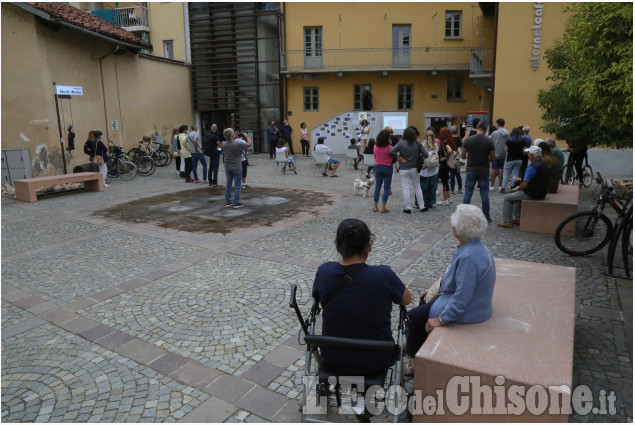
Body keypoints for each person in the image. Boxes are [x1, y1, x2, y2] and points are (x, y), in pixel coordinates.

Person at [312, 219, 412, 375]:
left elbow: (317, 296)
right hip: (378, 358)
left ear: (337, 247)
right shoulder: (383, 275)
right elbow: (407, 299)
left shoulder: (324, 272)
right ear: (369, 246)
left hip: (333, 357)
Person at [405, 204, 495, 366]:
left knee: (413, 318)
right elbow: (454, 280)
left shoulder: (468, 257)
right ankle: (418, 344)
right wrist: (435, 290)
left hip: (471, 310)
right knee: (425, 301)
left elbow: (462, 297)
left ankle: (416, 361)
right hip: (475, 303)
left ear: (458, 231)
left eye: (454, 223)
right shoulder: (474, 247)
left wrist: (441, 319)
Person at [498, 146, 550, 228]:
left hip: (532, 193)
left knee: (508, 198)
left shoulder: (532, 167)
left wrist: (518, 188)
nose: (528, 155)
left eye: (528, 154)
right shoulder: (544, 163)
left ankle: (507, 221)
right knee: (517, 196)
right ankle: (517, 217)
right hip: (542, 192)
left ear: (532, 156)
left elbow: (525, 184)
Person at [461, 121, 495, 222]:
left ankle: (463, 215)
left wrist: (469, 156)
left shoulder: (469, 139)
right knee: (484, 193)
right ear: (485, 129)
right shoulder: (489, 141)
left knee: (468, 192)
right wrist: (486, 159)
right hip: (484, 170)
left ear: (477, 127)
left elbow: (462, 156)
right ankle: (486, 216)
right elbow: (493, 158)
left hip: (471, 169)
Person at [391, 126, 428, 213]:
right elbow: (426, 154)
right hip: (415, 168)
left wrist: (399, 157)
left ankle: (408, 208)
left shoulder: (401, 143)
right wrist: (419, 155)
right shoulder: (417, 143)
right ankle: (422, 206)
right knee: (417, 187)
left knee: (405, 188)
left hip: (403, 168)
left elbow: (391, 151)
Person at [222, 128, 252, 208]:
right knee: (238, 185)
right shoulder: (237, 144)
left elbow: (230, 140)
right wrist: (247, 136)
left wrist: (233, 137)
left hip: (227, 166)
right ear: (232, 135)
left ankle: (228, 202)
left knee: (228, 184)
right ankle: (236, 202)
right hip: (236, 166)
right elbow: (249, 144)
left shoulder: (224, 143)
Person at [372, 129, 395, 213]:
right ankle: (383, 207)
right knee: (386, 188)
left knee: (377, 187)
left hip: (378, 167)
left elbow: (375, 156)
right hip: (388, 167)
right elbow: (392, 157)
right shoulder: (390, 147)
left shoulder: (375, 146)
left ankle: (375, 206)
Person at [417, 129, 439, 211]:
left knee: (422, 187)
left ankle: (420, 202)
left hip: (424, 169)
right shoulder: (436, 145)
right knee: (432, 187)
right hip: (434, 169)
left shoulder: (422, 145)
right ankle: (430, 202)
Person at [499, 127, 525, 193]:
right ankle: (513, 187)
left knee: (506, 173)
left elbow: (505, 150)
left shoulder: (509, 140)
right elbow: (524, 150)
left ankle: (503, 187)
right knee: (515, 174)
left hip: (510, 159)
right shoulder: (522, 140)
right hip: (519, 159)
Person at [489, 118, 510, 191]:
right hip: (503, 152)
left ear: (497, 124)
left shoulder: (495, 133)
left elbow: (490, 140)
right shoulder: (508, 133)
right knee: (501, 168)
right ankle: (500, 185)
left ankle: (492, 185)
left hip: (495, 153)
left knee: (494, 168)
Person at [437, 127, 456, 206]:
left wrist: (444, 158)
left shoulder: (444, 142)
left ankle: (445, 199)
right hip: (448, 164)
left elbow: (449, 150)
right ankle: (448, 197)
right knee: (446, 181)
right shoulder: (450, 141)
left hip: (444, 164)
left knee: (444, 182)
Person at [449, 125, 463, 194]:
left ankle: (452, 189)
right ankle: (460, 188)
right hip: (457, 156)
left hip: (451, 156)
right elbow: (461, 146)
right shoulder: (459, 139)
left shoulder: (449, 139)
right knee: (458, 173)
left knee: (452, 174)